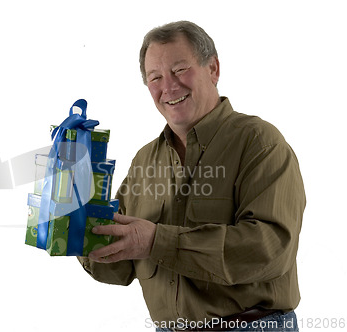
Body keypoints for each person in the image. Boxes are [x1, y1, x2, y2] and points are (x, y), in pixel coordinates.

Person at [77, 21, 305, 331]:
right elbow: (119, 270)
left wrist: (157, 241)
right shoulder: (146, 160)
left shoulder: (259, 143)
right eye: (155, 77)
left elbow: (270, 250)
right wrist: (74, 222)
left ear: (213, 68)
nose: (168, 87)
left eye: (179, 70)